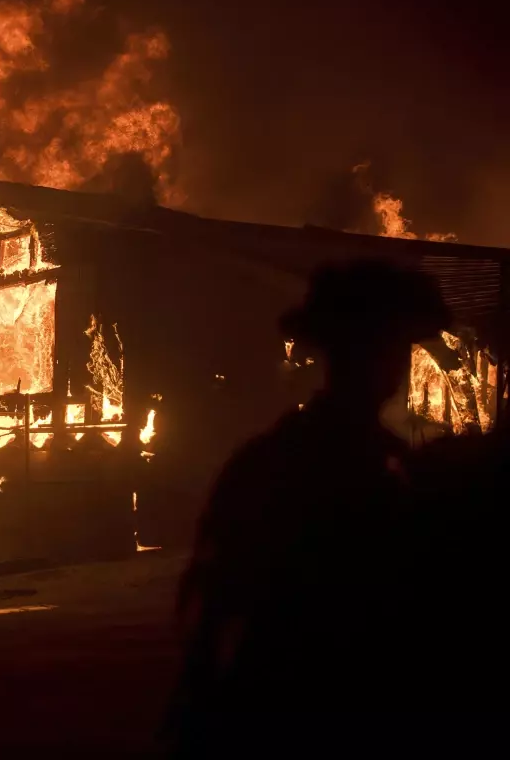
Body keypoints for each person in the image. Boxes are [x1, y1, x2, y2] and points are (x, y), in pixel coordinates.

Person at [164, 260, 451, 757]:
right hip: (314, 706)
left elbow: (210, 604)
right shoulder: (385, 470)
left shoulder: (268, 459)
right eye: (389, 347)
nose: (395, 364)